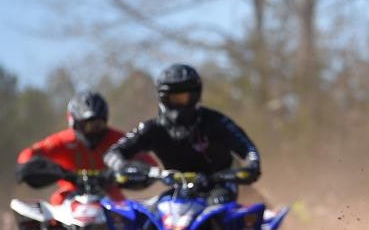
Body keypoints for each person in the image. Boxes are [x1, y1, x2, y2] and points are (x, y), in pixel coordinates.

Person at [104, 63, 262, 204]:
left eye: (184, 98)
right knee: (148, 218)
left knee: (218, 207)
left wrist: (252, 165)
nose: (179, 103)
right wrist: (125, 166)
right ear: (162, 98)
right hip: (182, 190)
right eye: (173, 98)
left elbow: (248, 149)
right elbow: (113, 153)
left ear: (195, 96)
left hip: (222, 184)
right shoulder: (152, 128)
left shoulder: (215, 121)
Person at [16, 91, 140, 204]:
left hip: (109, 192)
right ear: (76, 123)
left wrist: (129, 170)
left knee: (130, 214)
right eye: (89, 125)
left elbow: (147, 161)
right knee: (55, 205)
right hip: (70, 194)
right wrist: (53, 170)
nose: (95, 131)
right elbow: (27, 155)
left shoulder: (117, 139)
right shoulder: (64, 141)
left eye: (99, 125)